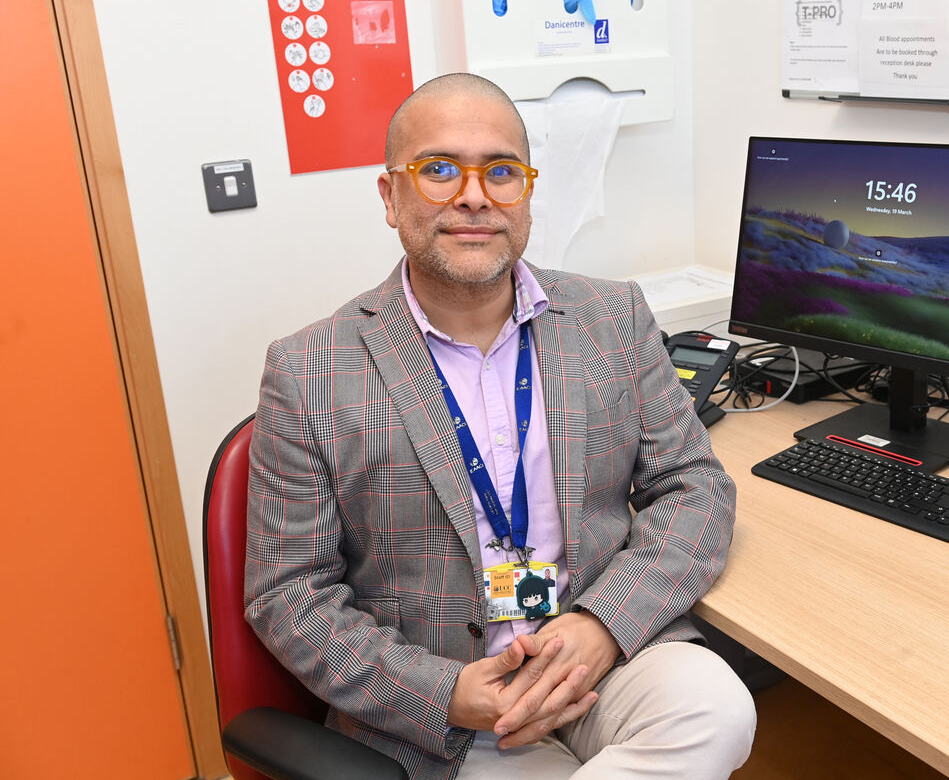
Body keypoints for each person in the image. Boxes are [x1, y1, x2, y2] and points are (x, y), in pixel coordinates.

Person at [245, 72, 755, 780]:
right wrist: (446, 693)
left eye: (502, 171)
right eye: (439, 170)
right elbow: (288, 594)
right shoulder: (309, 370)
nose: (475, 196)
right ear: (390, 197)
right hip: (449, 709)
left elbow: (695, 486)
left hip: (598, 656)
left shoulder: (614, 318)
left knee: (717, 708)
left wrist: (603, 624)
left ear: (526, 192)